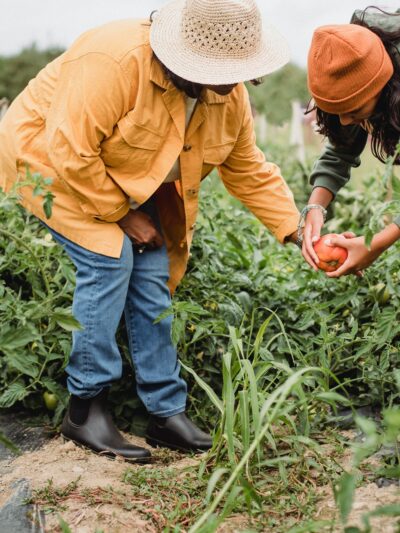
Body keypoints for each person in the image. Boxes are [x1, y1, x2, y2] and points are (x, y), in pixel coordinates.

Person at [0, 0, 300, 462]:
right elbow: (71, 151)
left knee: (153, 269)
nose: (235, 83)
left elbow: (249, 169)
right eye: (224, 71)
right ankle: (85, 407)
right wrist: (123, 214)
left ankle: (165, 412)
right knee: (109, 257)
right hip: (46, 162)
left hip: (121, 175)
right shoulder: (115, 62)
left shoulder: (228, 95)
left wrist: (298, 232)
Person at [301, 7, 400, 277]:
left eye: (354, 111)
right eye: (336, 111)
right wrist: (315, 206)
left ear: (384, 89)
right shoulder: (348, 57)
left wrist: (376, 243)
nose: (344, 121)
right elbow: (341, 148)